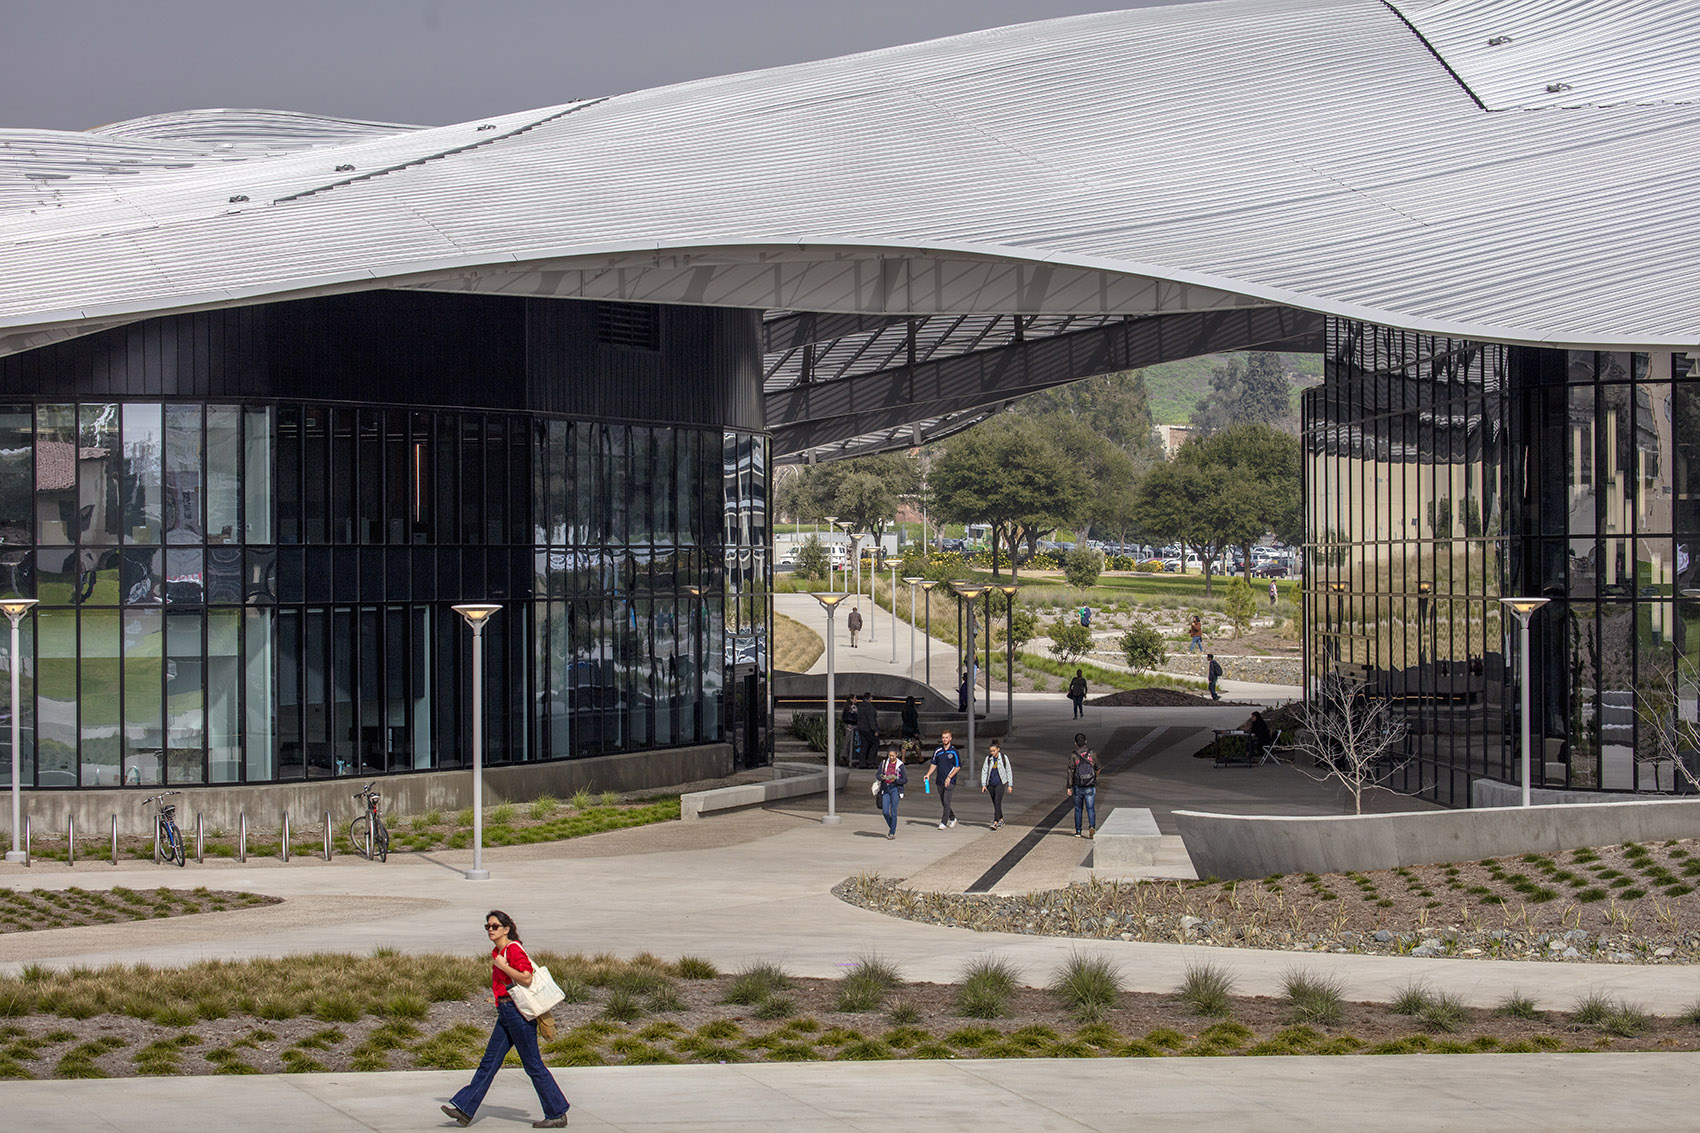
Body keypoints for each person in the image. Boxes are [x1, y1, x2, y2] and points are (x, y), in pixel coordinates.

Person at [442, 910, 570, 1129]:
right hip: (506, 1012)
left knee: (533, 1064)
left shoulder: (512, 950)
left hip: (517, 1013)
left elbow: (527, 978)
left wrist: (504, 967)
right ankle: (464, 1109)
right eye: (487, 927)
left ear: (506, 929)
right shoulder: (499, 951)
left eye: (495, 926)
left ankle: (557, 1112)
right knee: (489, 1063)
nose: (490, 930)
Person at [1067, 733, 1098, 839]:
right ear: (1086, 741)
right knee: (1090, 808)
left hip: (1078, 785)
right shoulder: (1092, 753)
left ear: (1075, 743)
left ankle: (1078, 831)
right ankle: (1092, 826)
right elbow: (1098, 767)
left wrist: (1069, 786)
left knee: (1078, 808)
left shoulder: (1074, 755)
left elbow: (1070, 771)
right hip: (1090, 785)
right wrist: (1095, 779)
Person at [875, 745, 908, 839]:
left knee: (893, 811)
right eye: (890, 756)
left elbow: (905, 779)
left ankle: (892, 832)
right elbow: (877, 774)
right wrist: (882, 777)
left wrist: (896, 780)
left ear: (897, 755)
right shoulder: (884, 763)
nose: (891, 757)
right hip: (885, 788)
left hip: (895, 789)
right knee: (885, 811)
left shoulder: (900, 765)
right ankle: (892, 826)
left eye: (893, 756)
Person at [931, 730, 961, 829]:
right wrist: (928, 774)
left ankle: (943, 822)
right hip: (939, 780)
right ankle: (952, 818)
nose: (945, 739)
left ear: (950, 738)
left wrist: (949, 777)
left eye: (946, 737)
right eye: (943, 737)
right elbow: (933, 764)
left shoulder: (954, 751)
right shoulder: (938, 751)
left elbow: (957, 767)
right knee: (944, 802)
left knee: (946, 800)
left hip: (950, 781)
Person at [980, 740, 1014, 830]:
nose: (992, 753)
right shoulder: (988, 759)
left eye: (994, 751)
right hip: (991, 784)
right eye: (991, 751)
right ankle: (1001, 819)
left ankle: (995, 821)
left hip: (1000, 783)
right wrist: (984, 784)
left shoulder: (1003, 758)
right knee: (995, 803)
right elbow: (984, 771)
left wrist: (1010, 784)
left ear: (998, 749)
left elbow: (1008, 770)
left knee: (997, 801)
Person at [855, 691, 879, 770]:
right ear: (869, 698)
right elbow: (871, 720)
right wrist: (875, 730)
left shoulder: (860, 706)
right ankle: (870, 761)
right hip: (868, 729)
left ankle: (862, 763)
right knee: (875, 743)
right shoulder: (870, 707)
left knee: (864, 745)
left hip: (861, 729)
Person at [900, 695, 921, 760]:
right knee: (916, 744)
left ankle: (903, 759)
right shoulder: (912, 710)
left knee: (904, 745)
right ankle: (920, 758)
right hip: (912, 729)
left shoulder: (904, 709)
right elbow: (914, 721)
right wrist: (916, 731)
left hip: (905, 728)